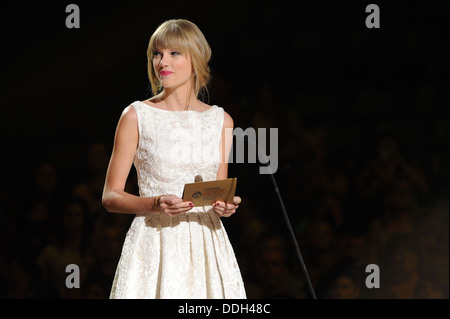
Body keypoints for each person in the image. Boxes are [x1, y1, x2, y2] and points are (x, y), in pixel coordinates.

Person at [101, 19, 246, 299]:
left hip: (206, 245)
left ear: (196, 59)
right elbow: (110, 196)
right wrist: (155, 203)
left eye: (174, 53)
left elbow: (217, 191)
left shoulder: (221, 120)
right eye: (157, 53)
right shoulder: (136, 116)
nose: (162, 61)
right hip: (154, 243)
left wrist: (225, 205)